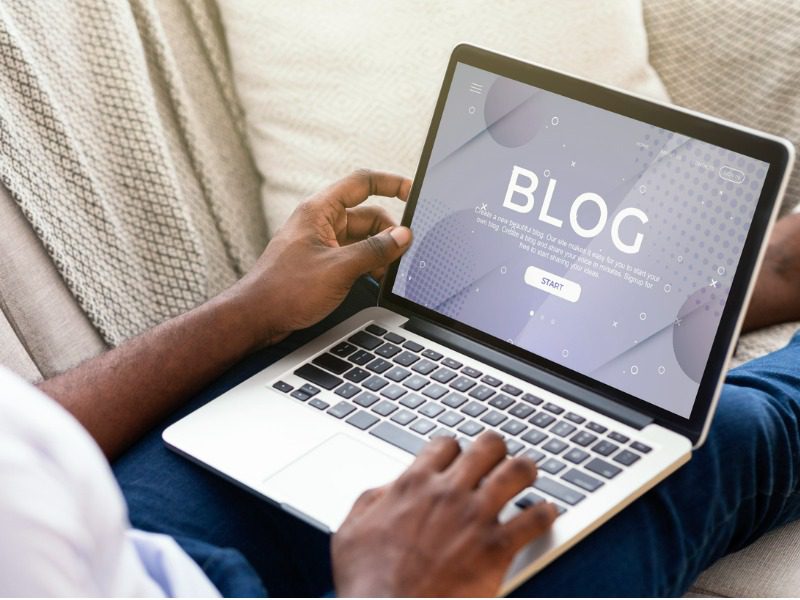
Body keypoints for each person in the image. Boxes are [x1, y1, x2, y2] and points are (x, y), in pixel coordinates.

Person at [2, 170, 800, 596]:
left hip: (133, 548)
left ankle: (719, 291)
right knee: (714, 444)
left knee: (374, 304)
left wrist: (250, 311)